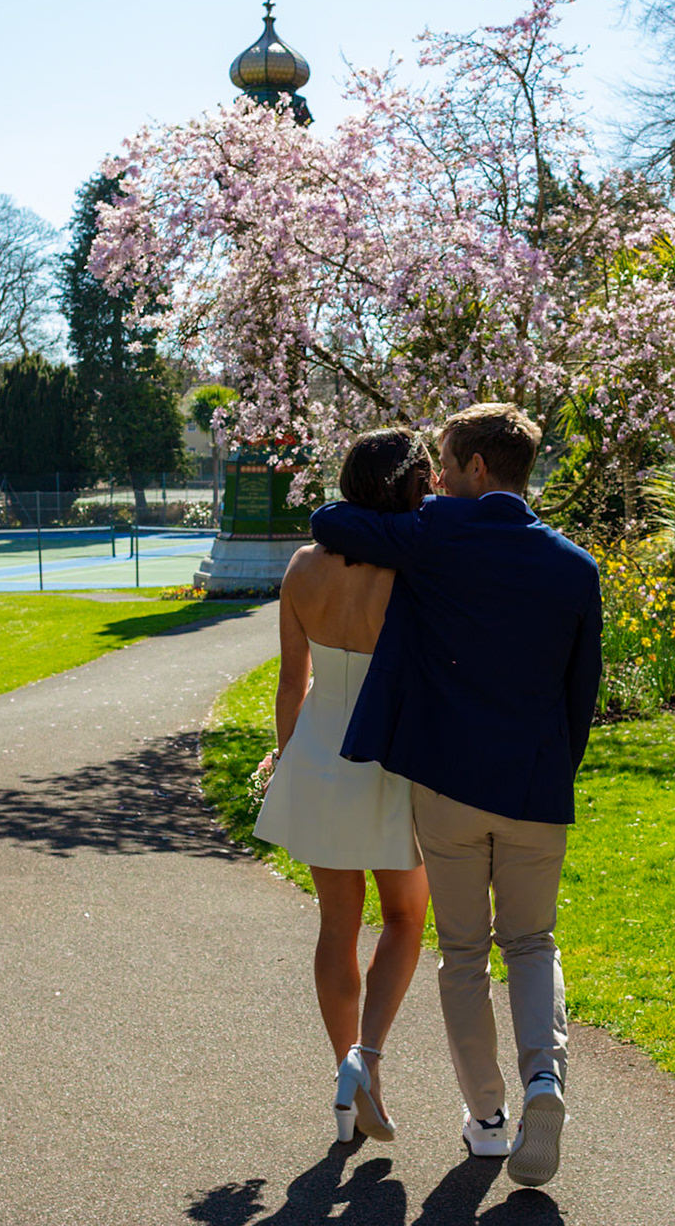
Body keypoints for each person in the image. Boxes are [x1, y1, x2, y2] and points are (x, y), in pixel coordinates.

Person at [309, 403, 602, 1189]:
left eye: (443, 463)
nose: (435, 478)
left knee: (465, 955)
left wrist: (418, 504)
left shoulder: (438, 532)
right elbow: (583, 696)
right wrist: (552, 772)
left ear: (475, 469)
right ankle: (546, 1079)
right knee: (533, 943)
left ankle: (489, 1120)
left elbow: (332, 517)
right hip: (537, 786)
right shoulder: (576, 567)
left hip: (448, 787)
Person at [254, 428, 434, 1144]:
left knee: (337, 923)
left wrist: (283, 758)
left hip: (320, 753)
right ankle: (369, 1058)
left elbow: (290, 682)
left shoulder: (302, 567)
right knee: (404, 918)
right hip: (392, 758)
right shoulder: (417, 570)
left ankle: (343, 1071)